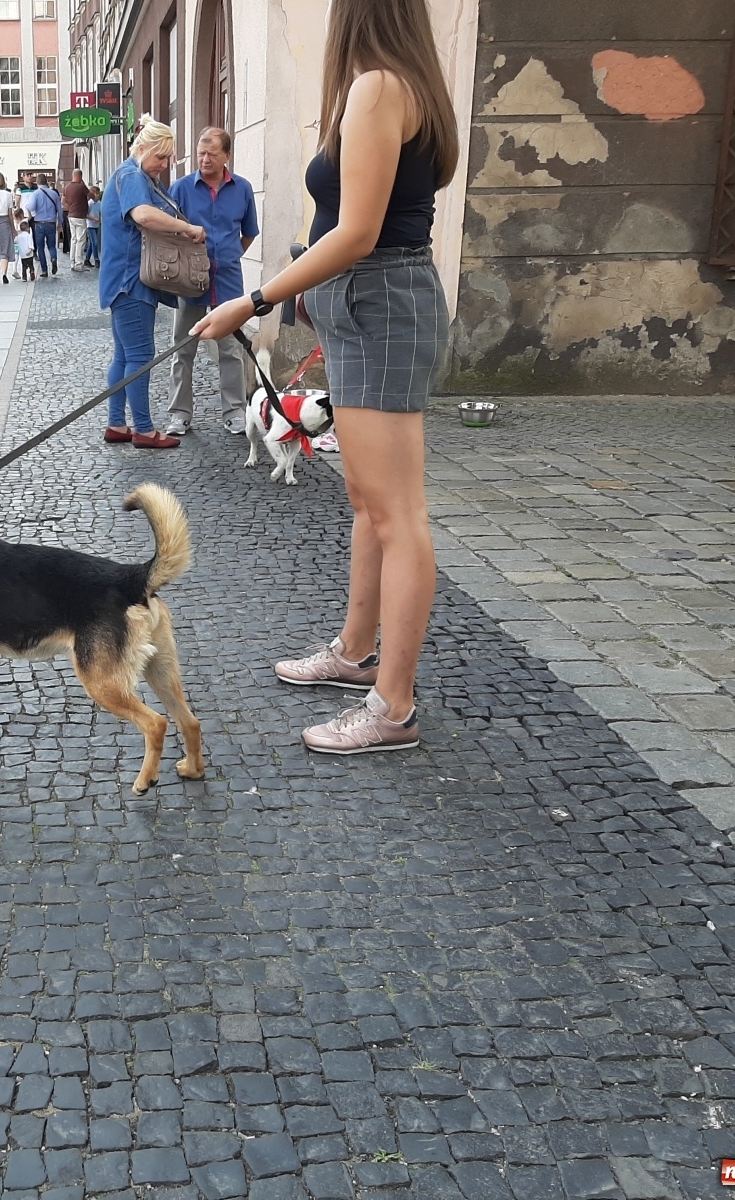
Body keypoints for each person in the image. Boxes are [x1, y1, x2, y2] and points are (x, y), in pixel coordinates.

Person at [195, 0, 457, 755]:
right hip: (366, 305)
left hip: (379, 302)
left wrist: (254, 298)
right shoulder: (396, 84)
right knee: (367, 500)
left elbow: (358, 231)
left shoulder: (380, 87)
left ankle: (393, 707)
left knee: (396, 511)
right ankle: (354, 653)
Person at [99, 119, 203, 450]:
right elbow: (143, 215)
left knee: (124, 355)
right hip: (132, 280)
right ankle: (143, 429)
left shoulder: (130, 173)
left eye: (168, 158)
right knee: (141, 355)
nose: (164, 165)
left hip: (121, 279)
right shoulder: (132, 175)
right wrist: (187, 229)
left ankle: (117, 423)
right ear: (142, 149)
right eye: (160, 156)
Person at [165, 127, 258, 437]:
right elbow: (170, 232)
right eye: (201, 153)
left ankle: (234, 412)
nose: (204, 159)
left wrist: (228, 256)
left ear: (226, 156)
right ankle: (180, 413)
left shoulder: (243, 189)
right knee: (183, 346)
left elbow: (249, 232)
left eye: (212, 154)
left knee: (231, 348)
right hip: (189, 279)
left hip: (228, 279)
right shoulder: (180, 189)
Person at [23, 173, 62, 277]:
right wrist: (60, 223)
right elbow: (60, 210)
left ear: (37, 182)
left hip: (39, 223)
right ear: (46, 181)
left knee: (40, 247)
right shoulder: (54, 194)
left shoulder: (35, 194)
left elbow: (31, 207)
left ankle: (44, 270)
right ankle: (53, 259)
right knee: (51, 245)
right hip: (51, 223)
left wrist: (26, 206)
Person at [63, 168, 91, 271]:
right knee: (81, 240)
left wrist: (69, 207)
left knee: (73, 239)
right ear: (80, 176)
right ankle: (79, 264)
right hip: (80, 216)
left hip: (71, 215)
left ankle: (72, 262)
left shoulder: (67, 187)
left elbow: (63, 201)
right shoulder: (81, 187)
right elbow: (91, 195)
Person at [14, 217, 36, 282]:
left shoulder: (19, 236)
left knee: (24, 266)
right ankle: (32, 272)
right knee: (31, 265)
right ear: (28, 228)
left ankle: (24, 277)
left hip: (23, 255)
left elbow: (15, 241)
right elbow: (30, 244)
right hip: (29, 254)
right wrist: (31, 249)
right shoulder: (28, 236)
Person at [85, 185, 102, 267]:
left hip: (97, 225)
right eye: (97, 193)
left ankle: (87, 259)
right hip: (90, 225)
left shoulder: (99, 203)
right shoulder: (89, 204)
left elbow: (101, 213)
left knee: (92, 243)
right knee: (95, 242)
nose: (98, 195)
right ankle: (96, 259)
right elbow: (86, 214)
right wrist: (93, 219)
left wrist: (100, 218)